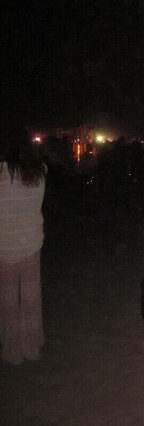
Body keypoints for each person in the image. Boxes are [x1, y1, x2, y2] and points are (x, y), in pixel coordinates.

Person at [0, 130, 47, 365]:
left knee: (8, 299)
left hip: (4, 244)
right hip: (31, 242)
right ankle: (32, 346)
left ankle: (12, 350)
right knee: (31, 297)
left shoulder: (2, 172)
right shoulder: (40, 172)